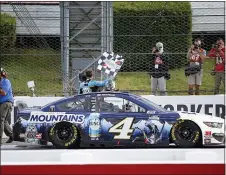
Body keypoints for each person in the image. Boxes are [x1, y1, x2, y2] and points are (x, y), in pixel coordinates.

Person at [0, 67, 14, 145]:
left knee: (0, 120)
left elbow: (3, 93)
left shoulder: (6, 81)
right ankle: (11, 135)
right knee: (3, 121)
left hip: (6, 103)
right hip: (2, 103)